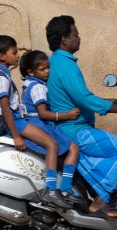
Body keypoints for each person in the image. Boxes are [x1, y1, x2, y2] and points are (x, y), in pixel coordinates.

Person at [45, 16, 117, 219]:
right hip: (76, 131)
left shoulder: (58, 62)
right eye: (75, 35)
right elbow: (84, 99)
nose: (79, 38)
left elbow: (80, 97)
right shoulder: (65, 65)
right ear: (64, 39)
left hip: (69, 130)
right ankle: (101, 201)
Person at [0, 35, 73, 210]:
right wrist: (16, 136)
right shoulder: (1, 78)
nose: (17, 56)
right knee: (52, 144)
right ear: (2, 56)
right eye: (14, 52)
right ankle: (51, 190)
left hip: (15, 121)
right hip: (15, 122)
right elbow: (6, 109)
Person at [20, 50, 81, 201]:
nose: (47, 71)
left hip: (33, 123)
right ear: (31, 72)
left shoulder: (27, 84)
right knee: (72, 148)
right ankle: (59, 188)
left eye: (48, 67)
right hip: (41, 124)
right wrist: (68, 115)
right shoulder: (38, 87)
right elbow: (43, 113)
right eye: (42, 69)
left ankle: (60, 187)